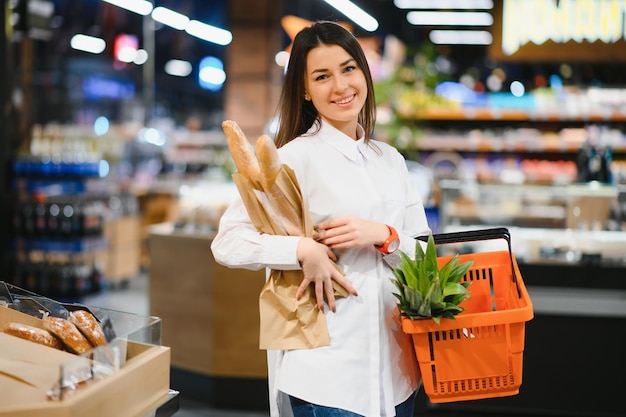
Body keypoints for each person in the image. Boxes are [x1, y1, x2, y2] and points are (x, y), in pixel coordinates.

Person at [211, 21, 430, 417]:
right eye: (322, 76)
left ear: (365, 73)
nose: (341, 86)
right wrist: (301, 250)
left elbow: (426, 258)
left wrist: (385, 235)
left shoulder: (390, 161)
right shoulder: (294, 158)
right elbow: (227, 242)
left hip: (398, 375)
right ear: (304, 90)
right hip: (327, 376)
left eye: (349, 69)